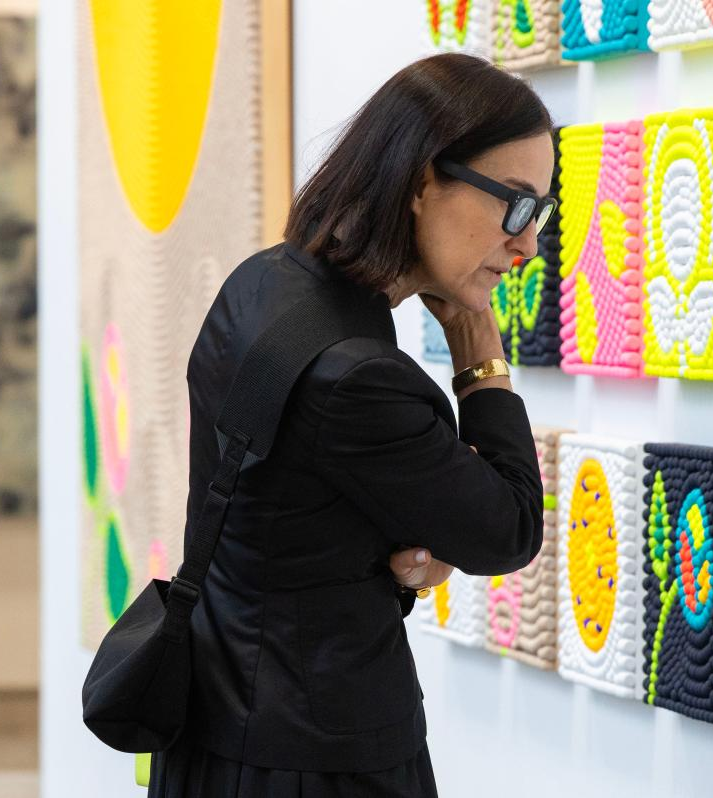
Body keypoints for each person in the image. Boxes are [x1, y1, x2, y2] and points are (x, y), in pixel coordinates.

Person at [148, 52, 553, 797]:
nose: (528, 244)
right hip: (316, 762)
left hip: (220, 732)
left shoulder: (263, 284)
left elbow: (287, 518)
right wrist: (481, 360)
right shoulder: (359, 375)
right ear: (422, 181)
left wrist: (404, 550)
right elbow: (509, 528)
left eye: (541, 214)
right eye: (517, 205)